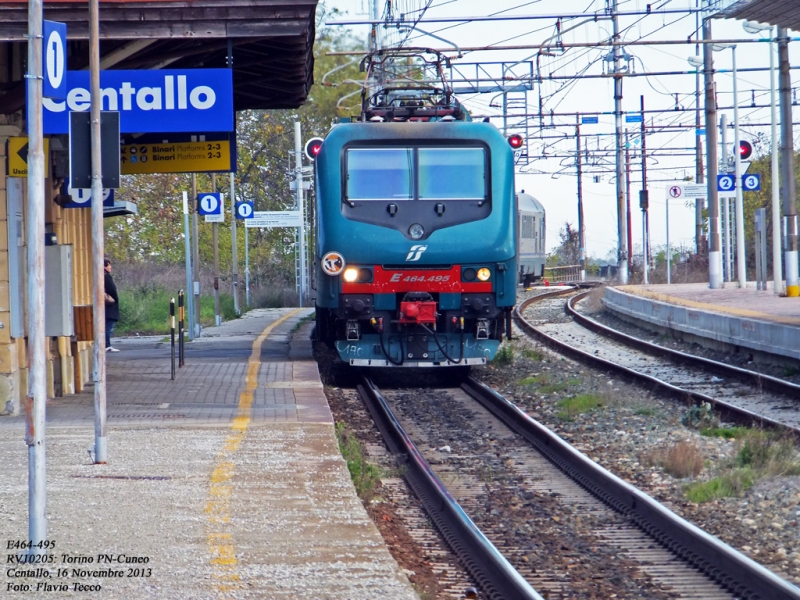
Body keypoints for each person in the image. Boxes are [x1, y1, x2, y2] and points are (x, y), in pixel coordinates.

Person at [104, 259, 120, 352]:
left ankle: (106, 344)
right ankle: (107, 345)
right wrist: (115, 299)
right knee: (108, 327)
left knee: (107, 326)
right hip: (109, 305)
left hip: (106, 306)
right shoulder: (106, 277)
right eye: (108, 265)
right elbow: (112, 290)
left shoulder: (101, 276)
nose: (110, 267)